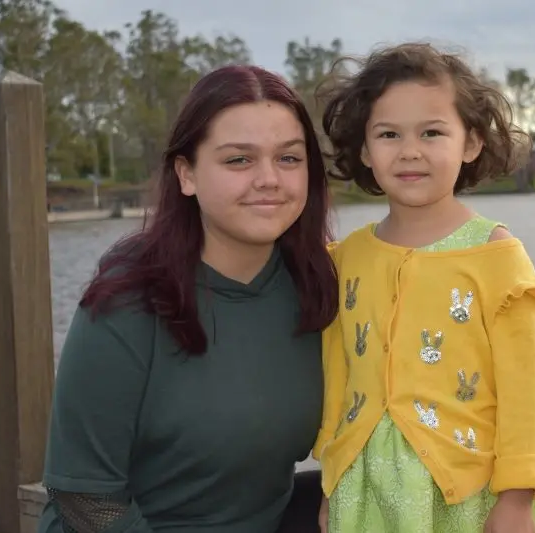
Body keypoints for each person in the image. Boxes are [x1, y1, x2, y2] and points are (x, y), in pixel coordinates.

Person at [37, 64, 337, 533]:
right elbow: (84, 497)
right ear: (187, 174)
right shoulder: (129, 297)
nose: (269, 179)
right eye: (239, 160)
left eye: (288, 158)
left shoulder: (318, 285)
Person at [312, 43, 535, 533]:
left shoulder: (496, 255)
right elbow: (339, 377)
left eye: (432, 132)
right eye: (388, 134)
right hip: (365, 492)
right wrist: (331, 483)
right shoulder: (347, 258)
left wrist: (517, 498)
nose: (410, 150)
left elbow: (526, 390)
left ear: (470, 143)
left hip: (472, 496)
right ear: (364, 150)